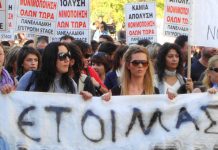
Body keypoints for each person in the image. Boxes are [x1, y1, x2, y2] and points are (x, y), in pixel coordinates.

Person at [16, 42, 91, 100]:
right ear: (51, 58)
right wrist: (7, 91)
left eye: (68, 56)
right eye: (62, 56)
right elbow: (15, 102)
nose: (67, 60)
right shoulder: (30, 77)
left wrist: (83, 100)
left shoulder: (71, 84)